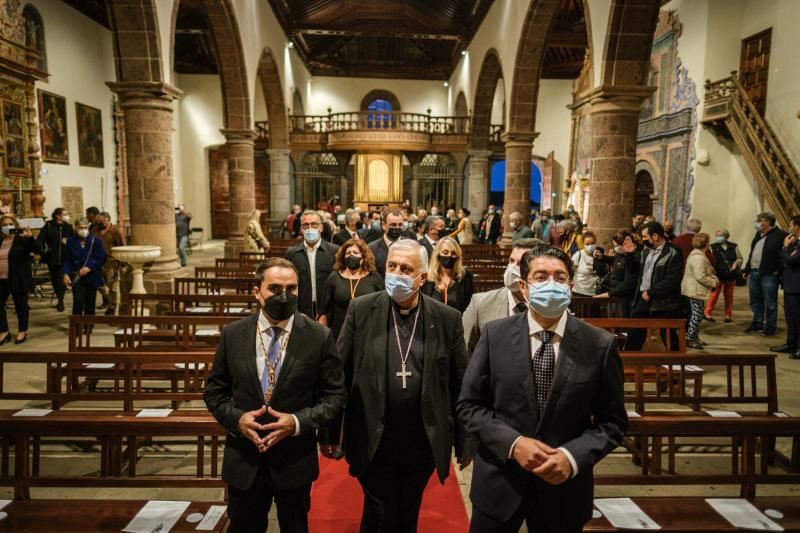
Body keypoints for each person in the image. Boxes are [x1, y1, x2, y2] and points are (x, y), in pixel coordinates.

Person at [457, 245, 627, 533]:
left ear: (571, 287)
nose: (551, 284)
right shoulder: (494, 335)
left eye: (560, 278)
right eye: (541, 276)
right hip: (500, 482)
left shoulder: (598, 344)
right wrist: (513, 443)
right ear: (524, 287)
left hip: (563, 489)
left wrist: (573, 457)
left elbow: (613, 422)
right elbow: (469, 406)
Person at [334, 239, 474, 533]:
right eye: (392, 266)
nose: (396, 273)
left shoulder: (447, 318)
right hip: (373, 433)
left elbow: (461, 383)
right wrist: (331, 432)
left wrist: (465, 441)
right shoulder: (361, 310)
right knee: (378, 510)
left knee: (408, 508)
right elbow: (338, 375)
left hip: (421, 438)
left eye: (406, 268)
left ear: (422, 278)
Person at [203, 258, 346, 532]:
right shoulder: (234, 334)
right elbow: (214, 391)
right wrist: (237, 419)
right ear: (257, 292)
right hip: (245, 458)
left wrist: (297, 422)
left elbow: (335, 396)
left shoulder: (318, 336)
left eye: (291, 288)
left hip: (294, 460)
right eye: (275, 288)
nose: (284, 295)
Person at [462, 238, 543, 353]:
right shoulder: (480, 304)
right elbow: (464, 352)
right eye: (511, 261)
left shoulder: (546, 305)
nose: (512, 267)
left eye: (521, 263)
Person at [627, 221, 684, 351]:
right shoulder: (645, 251)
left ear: (655, 236)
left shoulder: (673, 252)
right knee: (634, 334)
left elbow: (672, 280)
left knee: (669, 337)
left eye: (645, 237)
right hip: (643, 299)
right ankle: (628, 364)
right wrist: (630, 255)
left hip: (664, 302)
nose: (643, 240)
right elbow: (635, 272)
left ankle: (676, 366)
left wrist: (651, 292)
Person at [319, 239, 384, 339]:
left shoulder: (374, 277)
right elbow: (324, 309)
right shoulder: (334, 276)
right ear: (343, 256)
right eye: (348, 253)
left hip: (367, 330)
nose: (351, 256)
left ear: (363, 256)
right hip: (339, 331)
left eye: (355, 253)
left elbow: (382, 305)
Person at [284, 211, 338, 318]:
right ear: (301, 229)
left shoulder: (334, 251)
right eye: (305, 225)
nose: (310, 228)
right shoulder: (291, 254)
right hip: (301, 310)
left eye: (314, 225)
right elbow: (286, 285)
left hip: (328, 311)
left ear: (321, 228)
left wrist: (327, 313)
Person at [744, 212, 786, 337]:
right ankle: (757, 323)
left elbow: (785, 254)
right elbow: (752, 253)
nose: (757, 223)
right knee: (755, 300)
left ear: (767, 222)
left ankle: (770, 326)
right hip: (754, 272)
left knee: (770, 302)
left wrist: (778, 270)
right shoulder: (758, 234)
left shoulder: (780, 235)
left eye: (759, 220)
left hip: (769, 274)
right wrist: (747, 269)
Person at [0, 216, 40, 344]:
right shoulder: (1, 240)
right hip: (1, 279)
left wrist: (30, 237)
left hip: (18, 278)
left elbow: (38, 250)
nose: (7, 226)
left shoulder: (21, 239)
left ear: (15, 225)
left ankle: (22, 331)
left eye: (10, 224)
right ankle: (4, 331)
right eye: (4, 224)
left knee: (20, 306)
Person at [681, 233, 719, 350]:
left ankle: (695, 337)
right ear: (706, 244)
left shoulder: (698, 254)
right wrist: (714, 282)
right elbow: (700, 276)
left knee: (698, 314)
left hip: (695, 290)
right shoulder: (698, 257)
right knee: (696, 315)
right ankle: (690, 339)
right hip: (695, 290)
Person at [63, 217, 106, 318]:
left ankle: (88, 328)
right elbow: (67, 260)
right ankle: (77, 328)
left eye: (85, 227)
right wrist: (65, 273)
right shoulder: (70, 241)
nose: (83, 230)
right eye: (80, 227)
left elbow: (101, 258)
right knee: (77, 302)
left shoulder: (96, 241)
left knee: (90, 303)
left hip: (92, 275)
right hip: (77, 276)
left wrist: (89, 268)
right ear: (76, 228)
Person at [421, 236, 474, 313]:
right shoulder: (427, 276)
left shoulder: (465, 277)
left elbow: (470, 306)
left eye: (453, 253)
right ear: (438, 254)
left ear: (457, 256)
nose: (449, 256)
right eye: (445, 253)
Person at [36, 207, 73, 312]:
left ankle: (61, 299)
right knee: (56, 279)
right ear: (58, 216)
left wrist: (69, 241)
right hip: (52, 257)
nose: (67, 216)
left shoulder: (68, 227)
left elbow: (74, 240)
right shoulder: (48, 225)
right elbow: (40, 239)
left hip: (66, 257)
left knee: (63, 278)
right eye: (65, 214)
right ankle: (60, 299)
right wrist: (41, 252)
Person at [595, 230, 640, 314]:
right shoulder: (621, 254)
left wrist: (609, 294)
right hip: (615, 293)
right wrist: (603, 257)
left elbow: (629, 281)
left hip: (623, 296)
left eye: (616, 246)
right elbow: (616, 261)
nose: (615, 248)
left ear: (625, 243)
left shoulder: (633, 256)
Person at [705, 229, 742, 323]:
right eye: (717, 235)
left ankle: (728, 315)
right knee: (714, 295)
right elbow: (708, 261)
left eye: (720, 235)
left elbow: (739, 258)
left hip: (730, 275)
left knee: (729, 296)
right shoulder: (712, 247)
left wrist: (736, 263)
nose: (718, 237)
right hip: (717, 275)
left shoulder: (734, 246)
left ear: (726, 237)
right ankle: (707, 313)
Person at [93, 211, 125, 315]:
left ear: (107, 220)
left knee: (112, 287)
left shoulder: (115, 231)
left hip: (111, 263)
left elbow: (122, 247)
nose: (98, 224)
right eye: (96, 222)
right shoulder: (94, 230)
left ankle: (112, 306)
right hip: (97, 263)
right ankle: (109, 301)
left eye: (100, 222)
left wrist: (123, 263)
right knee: (99, 285)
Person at [778, 216, 800, 359]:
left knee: (798, 318)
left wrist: (785, 247)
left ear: (797, 227)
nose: (789, 227)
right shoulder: (795, 241)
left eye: (791, 225)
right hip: (790, 284)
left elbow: (791, 260)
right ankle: (791, 344)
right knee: (790, 317)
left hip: (797, 286)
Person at [368, 208, 407, 278]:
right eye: (393, 225)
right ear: (383, 225)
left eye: (400, 225)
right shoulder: (371, 249)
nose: (397, 227)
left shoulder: (411, 246)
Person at [570, 230, 599, 297]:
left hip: (594, 293)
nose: (590, 246)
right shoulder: (578, 255)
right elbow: (570, 271)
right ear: (583, 244)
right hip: (579, 292)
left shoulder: (599, 256)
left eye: (592, 243)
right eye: (587, 244)